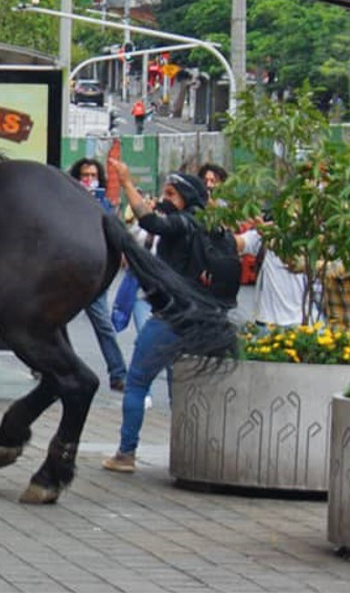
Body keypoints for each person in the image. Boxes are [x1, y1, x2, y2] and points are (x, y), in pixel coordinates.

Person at [102, 160, 214, 474]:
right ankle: (187, 454)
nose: (164, 199)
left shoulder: (184, 223)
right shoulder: (207, 224)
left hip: (169, 318)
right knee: (181, 388)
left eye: (170, 194)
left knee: (137, 381)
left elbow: (152, 223)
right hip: (199, 319)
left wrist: (125, 183)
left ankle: (126, 453)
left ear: (186, 198)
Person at [68, 158, 127, 391]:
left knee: (103, 325)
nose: (89, 180)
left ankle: (118, 372)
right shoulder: (67, 200)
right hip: (68, 274)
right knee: (53, 324)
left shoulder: (105, 205)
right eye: (85, 176)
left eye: (93, 176)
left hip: (93, 276)